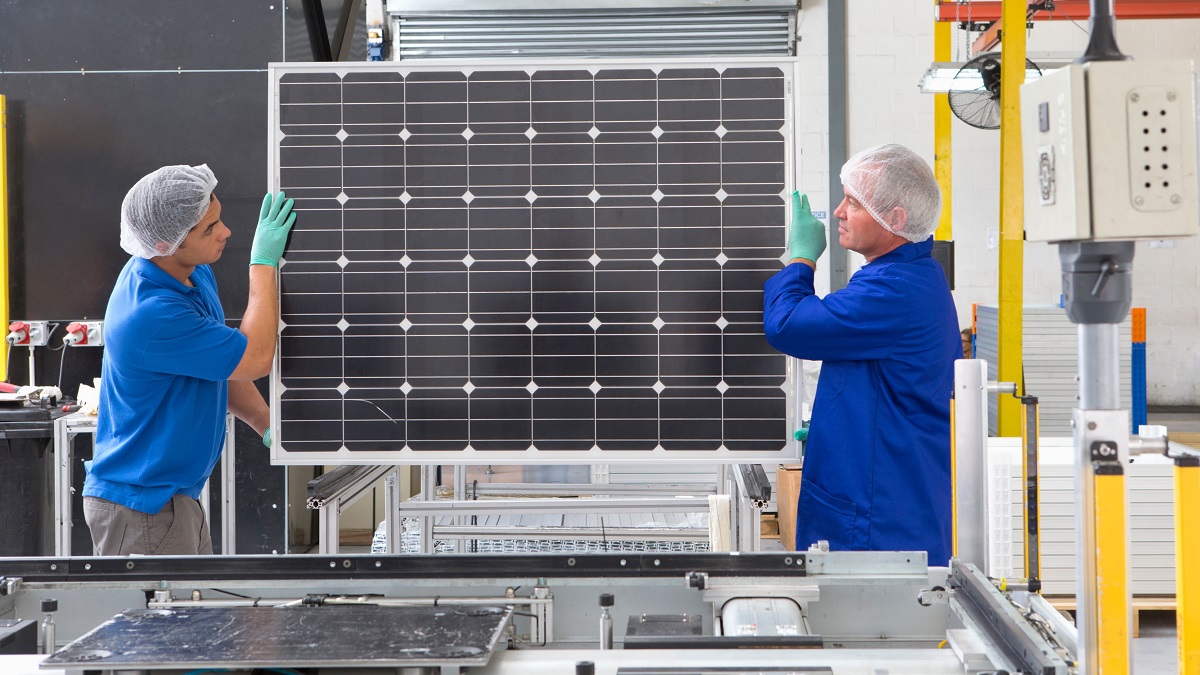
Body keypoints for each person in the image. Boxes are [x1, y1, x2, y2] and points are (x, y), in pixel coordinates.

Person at [762, 144, 960, 566]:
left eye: (853, 202)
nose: (837, 212)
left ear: (895, 219)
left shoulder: (894, 290)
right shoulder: (908, 275)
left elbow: (789, 324)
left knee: (865, 626)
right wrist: (838, 420)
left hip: (879, 522)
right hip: (882, 493)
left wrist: (800, 259)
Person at [82, 164, 295, 555]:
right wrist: (263, 264)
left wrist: (267, 424)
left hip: (171, 499)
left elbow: (219, 364)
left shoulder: (190, 274)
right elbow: (255, 357)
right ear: (167, 243)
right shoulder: (152, 314)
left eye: (219, 218)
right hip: (142, 509)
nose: (226, 232)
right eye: (209, 228)